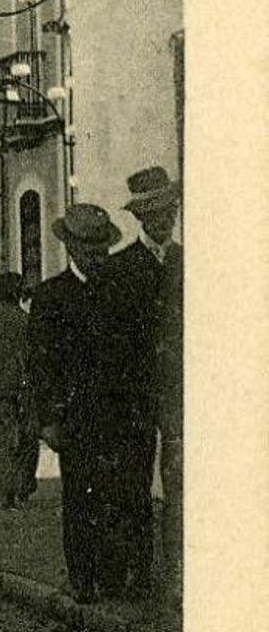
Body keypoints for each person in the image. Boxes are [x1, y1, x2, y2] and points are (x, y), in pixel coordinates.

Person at [27, 205, 154, 604]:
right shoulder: (50, 297)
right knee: (81, 497)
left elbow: (140, 353)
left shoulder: (124, 290)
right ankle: (83, 578)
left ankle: (118, 579)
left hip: (124, 415)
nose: (96, 257)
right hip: (76, 417)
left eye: (101, 249)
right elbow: (40, 364)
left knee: (126, 496)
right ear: (71, 249)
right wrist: (47, 420)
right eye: (87, 249)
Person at [109, 166, 183, 599]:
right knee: (133, 483)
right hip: (134, 394)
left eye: (169, 210)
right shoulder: (121, 268)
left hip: (176, 392)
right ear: (140, 219)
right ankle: (140, 569)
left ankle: (178, 571)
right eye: (155, 213)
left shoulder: (186, 262)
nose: (164, 219)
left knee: (179, 482)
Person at [0, 272, 38, 510]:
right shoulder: (29, 321)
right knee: (27, 437)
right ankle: (24, 485)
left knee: (2, 439)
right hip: (26, 388)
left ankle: (7, 490)